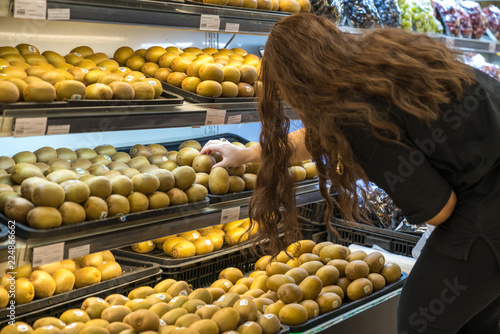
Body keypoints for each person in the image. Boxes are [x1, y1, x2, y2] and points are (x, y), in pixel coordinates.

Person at [200, 13, 500, 333]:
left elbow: (441, 210)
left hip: (488, 207)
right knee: (476, 321)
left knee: (419, 317)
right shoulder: (377, 66)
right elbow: (323, 134)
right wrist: (250, 153)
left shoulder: (362, 119)